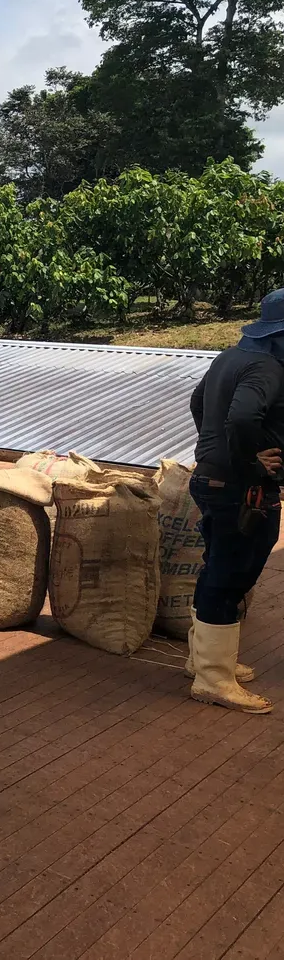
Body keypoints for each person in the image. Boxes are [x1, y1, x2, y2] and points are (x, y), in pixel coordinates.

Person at [187, 289, 284, 714]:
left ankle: (205, 662)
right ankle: (213, 680)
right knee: (231, 576)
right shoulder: (268, 368)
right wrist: (250, 461)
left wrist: (212, 449)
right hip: (240, 490)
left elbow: (197, 401)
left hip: (213, 480)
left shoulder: (230, 357)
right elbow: (243, 417)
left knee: (217, 569)